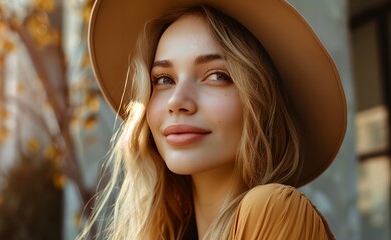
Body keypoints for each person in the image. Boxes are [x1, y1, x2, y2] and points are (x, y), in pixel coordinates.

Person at [79, 0, 346, 239]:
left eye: (217, 75)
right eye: (163, 79)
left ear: (261, 100)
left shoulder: (273, 209)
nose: (176, 101)